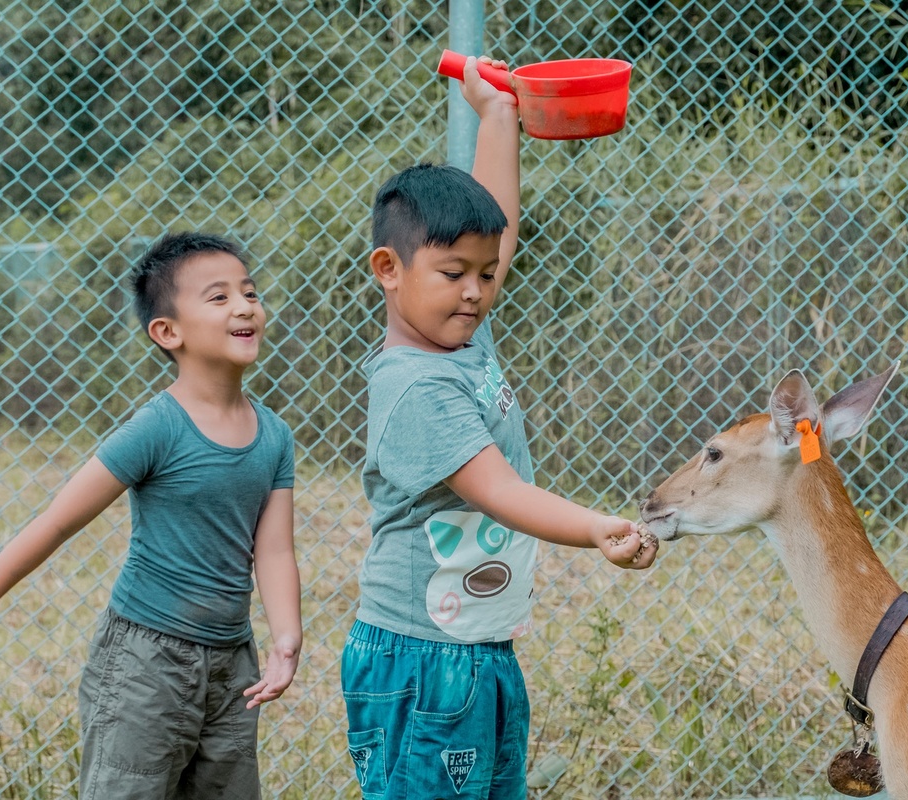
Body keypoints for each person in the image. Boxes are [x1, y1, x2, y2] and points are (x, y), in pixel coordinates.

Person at [341, 57, 658, 800]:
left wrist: (496, 116)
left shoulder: (459, 335)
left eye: (485, 274)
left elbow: (498, 229)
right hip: (422, 660)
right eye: (456, 273)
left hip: (478, 648)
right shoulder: (415, 383)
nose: (479, 291)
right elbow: (499, 490)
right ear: (389, 269)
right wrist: (595, 527)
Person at [0, 232, 301, 800]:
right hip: (146, 664)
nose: (245, 306)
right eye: (218, 298)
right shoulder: (156, 429)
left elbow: (272, 551)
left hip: (232, 667)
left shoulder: (275, 435)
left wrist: (286, 638)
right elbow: (57, 521)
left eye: (250, 292)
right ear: (168, 333)